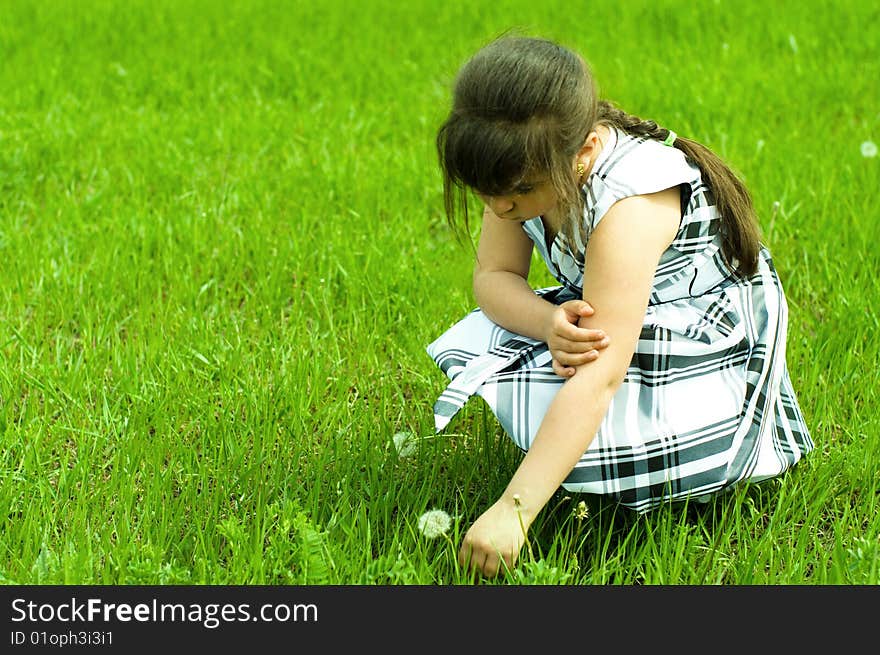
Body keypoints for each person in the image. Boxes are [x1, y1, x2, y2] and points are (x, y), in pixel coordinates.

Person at [426, 35, 813, 578]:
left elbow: (602, 375)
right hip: (610, 307)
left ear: (583, 153)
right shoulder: (517, 169)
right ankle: (577, 458)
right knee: (518, 342)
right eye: (485, 191)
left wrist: (514, 512)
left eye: (514, 192)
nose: (498, 207)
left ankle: (678, 480)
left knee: (588, 379)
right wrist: (546, 322)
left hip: (695, 327)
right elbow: (493, 277)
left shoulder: (628, 202)